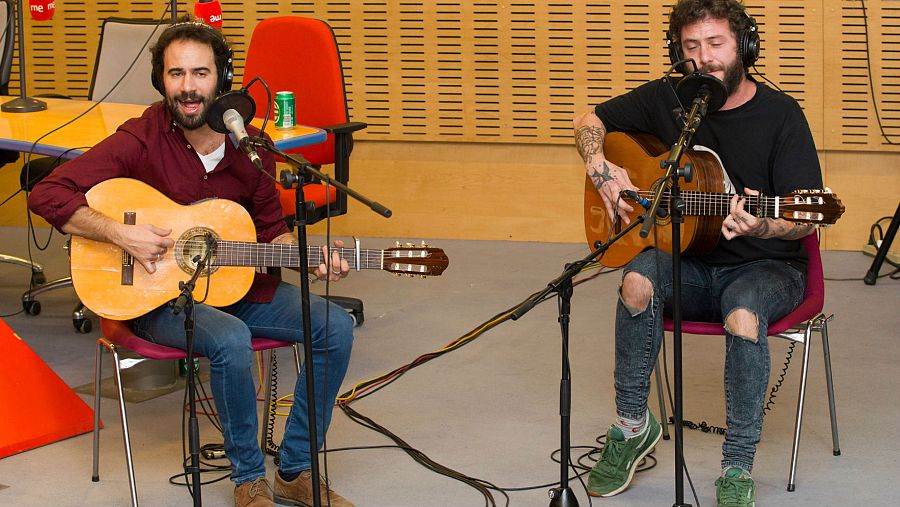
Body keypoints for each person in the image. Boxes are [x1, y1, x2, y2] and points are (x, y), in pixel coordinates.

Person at [28, 20, 355, 507]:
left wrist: (306, 258)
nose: (187, 86)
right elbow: (47, 192)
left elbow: (271, 229)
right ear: (160, 80)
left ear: (221, 77)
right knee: (229, 338)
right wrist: (121, 234)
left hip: (235, 288)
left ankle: (296, 468)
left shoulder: (249, 145)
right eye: (175, 73)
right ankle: (249, 480)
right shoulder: (139, 138)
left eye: (199, 73)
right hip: (157, 295)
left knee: (334, 325)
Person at [573, 0, 822, 505]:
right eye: (691, 48)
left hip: (767, 265)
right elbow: (589, 119)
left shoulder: (781, 115)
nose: (704, 60)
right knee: (636, 281)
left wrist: (766, 222)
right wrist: (602, 167)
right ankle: (630, 427)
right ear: (677, 53)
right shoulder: (670, 99)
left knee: (744, 314)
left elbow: (806, 216)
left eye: (716, 44)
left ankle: (737, 465)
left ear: (744, 47)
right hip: (689, 262)